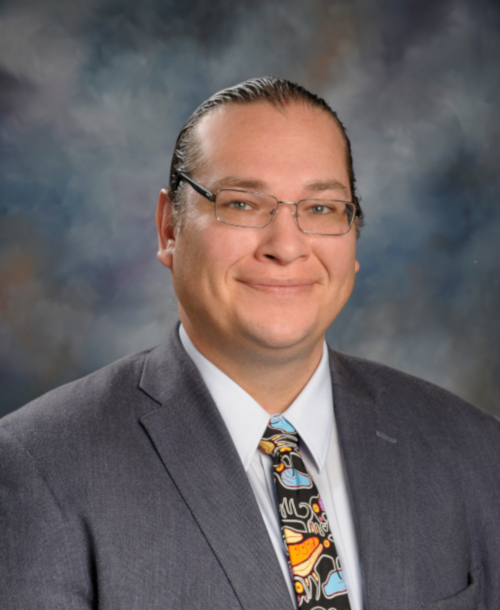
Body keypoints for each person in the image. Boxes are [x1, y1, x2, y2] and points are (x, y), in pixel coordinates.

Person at [1, 77, 499, 610]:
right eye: (241, 204)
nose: (286, 246)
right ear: (170, 229)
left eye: (321, 208)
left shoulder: (475, 453)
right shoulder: (40, 467)